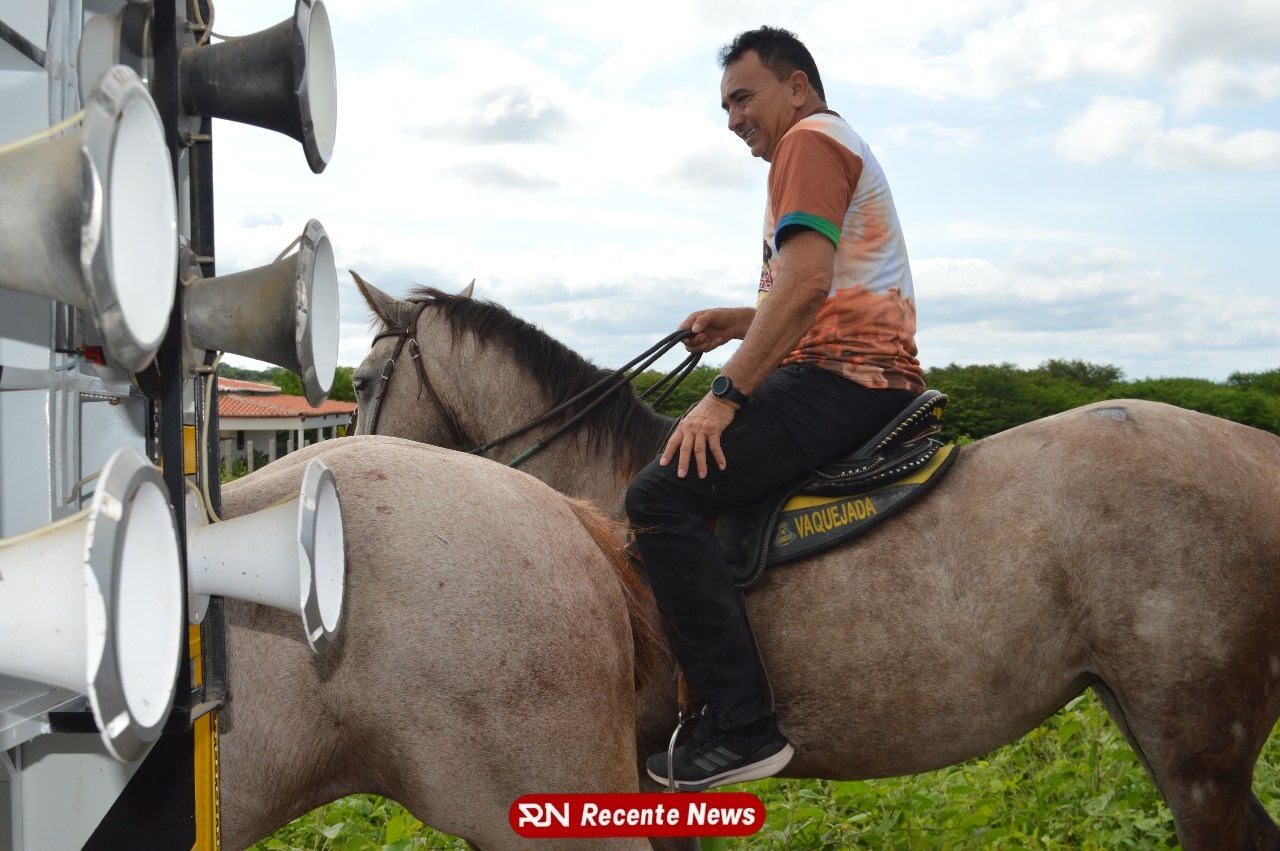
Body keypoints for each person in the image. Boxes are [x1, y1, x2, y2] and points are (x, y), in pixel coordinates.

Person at [627, 26, 926, 791]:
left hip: (843, 377)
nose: (733, 120)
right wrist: (739, 319)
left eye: (742, 98)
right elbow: (813, 287)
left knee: (658, 496)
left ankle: (740, 725)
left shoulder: (808, 143)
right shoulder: (826, 143)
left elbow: (806, 285)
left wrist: (722, 396)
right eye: (725, 107)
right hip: (854, 368)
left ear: (796, 87)